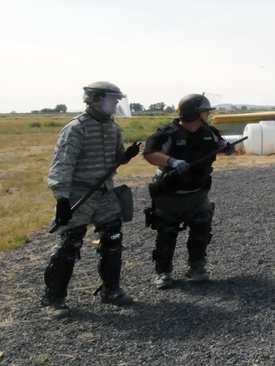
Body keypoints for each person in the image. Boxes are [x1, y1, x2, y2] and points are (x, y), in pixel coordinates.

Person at [41, 81, 140, 318]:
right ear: (96, 99)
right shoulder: (76, 128)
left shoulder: (113, 127)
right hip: (79, 193)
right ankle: (55, 299)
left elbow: (116, 158)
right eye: (112, 99)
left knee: (113, 238)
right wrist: (62, 199)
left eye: (118, 99)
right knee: (70, 243)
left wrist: (126, 156)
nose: (116, 103)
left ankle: (111, 291)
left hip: (104, 192)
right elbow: (62, 164)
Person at [142, 94, 233, 289]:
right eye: (206, 111)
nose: (208, 114)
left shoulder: (209, 132)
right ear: (196, 113)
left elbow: (221, 144)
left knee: (202, 226)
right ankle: (163, 273)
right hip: (169, 195)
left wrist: (227, 148)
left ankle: (197, 267)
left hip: (198, 193)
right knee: (167, 233)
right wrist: (171, 161)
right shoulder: (167, 133)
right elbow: (150, 154)